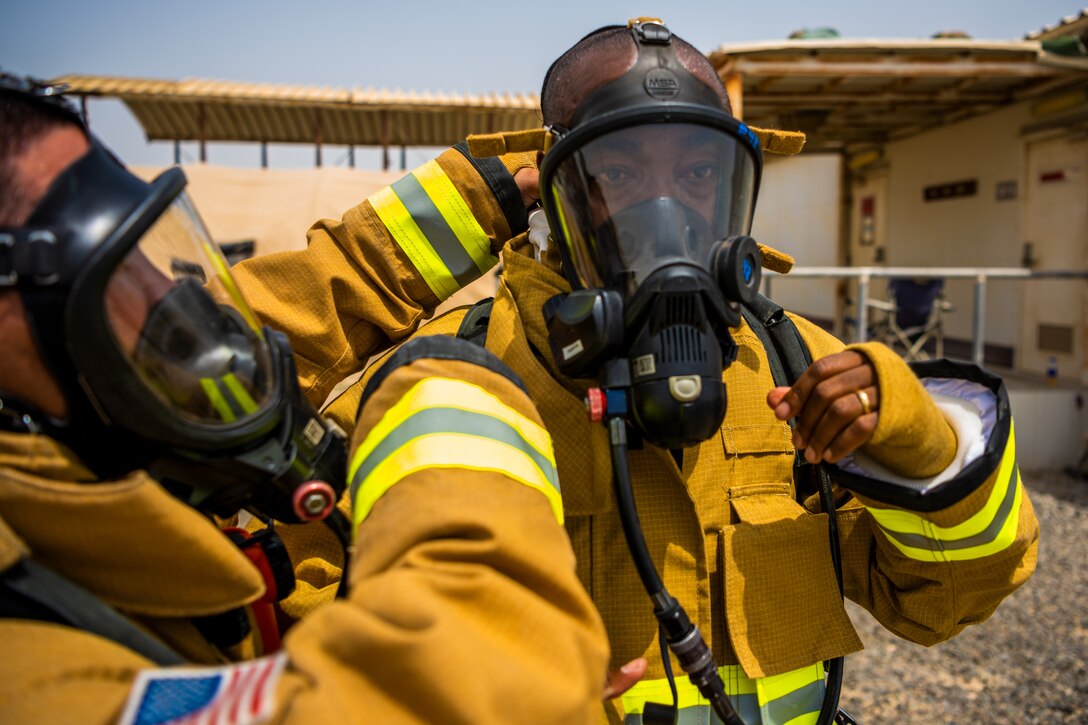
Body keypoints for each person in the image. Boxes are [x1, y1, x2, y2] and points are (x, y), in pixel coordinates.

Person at [230, 20, 1039, 724]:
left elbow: (942, 603)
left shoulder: (799, 365)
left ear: (735, 186)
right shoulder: (452, 383)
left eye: (696, 174)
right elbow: (204, 446)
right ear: (556, 190)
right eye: (618, 174)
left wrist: (925, 446)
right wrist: (439, 223)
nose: (667, 211)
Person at [0, 74, 609, 724]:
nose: (176, 305)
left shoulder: (80, 444)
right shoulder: (29, 661)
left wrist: (485, 192)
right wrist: (453, 401)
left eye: (153, 254)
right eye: (119, 270)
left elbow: (296, 300)